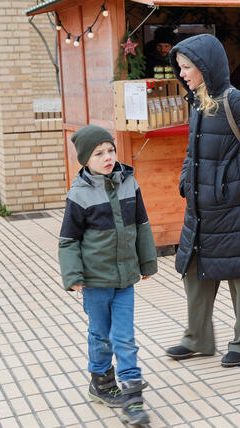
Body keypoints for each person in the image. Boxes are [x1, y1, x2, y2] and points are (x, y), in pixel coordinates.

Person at [165, 34, 240, 368]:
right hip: (201, 208)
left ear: (206, 67)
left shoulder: (235, 101)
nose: (183, 73)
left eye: (187, 67)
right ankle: (198, 339)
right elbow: (193, 152)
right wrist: (185, 181)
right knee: (194, 270)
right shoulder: (197, 101)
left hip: (233, 205)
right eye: (180, 67)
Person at [58, 125, 157, 425]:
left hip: (125, 279)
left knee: (124, 337)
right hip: (95, 282)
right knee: (101, 336)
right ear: (86, 159)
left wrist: (147, 263)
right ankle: (101, 384)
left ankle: (131, 395)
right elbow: (68, 239)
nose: (107, 157)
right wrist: (72, 274)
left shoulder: (129, 183)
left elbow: (142, 225)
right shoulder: (79, 194)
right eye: (99, 153)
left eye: (111, 150)